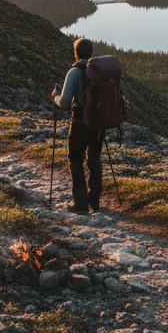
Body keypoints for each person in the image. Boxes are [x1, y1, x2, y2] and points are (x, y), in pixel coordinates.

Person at [51, 37, 102, 214]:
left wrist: (55, 97)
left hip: (80, 122)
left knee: (76, 160)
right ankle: (94, 201)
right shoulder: (99, 70)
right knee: (94, 159)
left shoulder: (73, 72)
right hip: (97, 123)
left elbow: (65, 102)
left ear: (76, 53)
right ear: (91, 52)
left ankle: (80, 204)